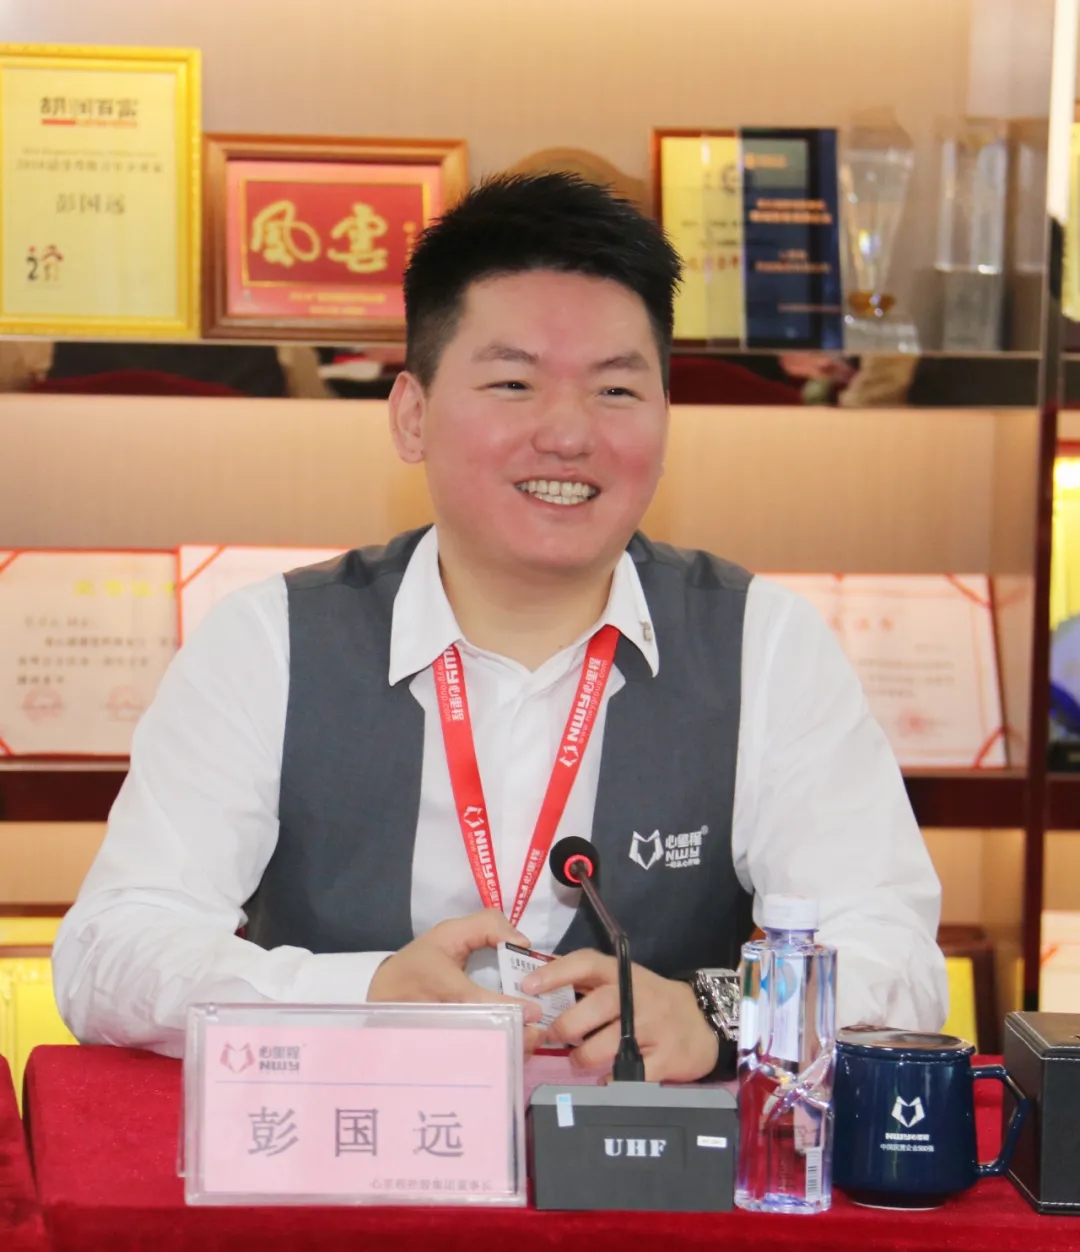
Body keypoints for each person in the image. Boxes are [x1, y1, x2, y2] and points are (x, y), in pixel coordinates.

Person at [52, 174, 947, 1079]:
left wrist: (723, 1012)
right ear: (412, 415)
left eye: (616, 390)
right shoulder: (268, 641)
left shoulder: (765, 644)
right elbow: (111, 952)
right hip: (347, 1142)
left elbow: (897, 960)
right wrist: (362, 996)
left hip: (653, 1161)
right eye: (513, 383)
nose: (567, 434)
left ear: (666, 421)